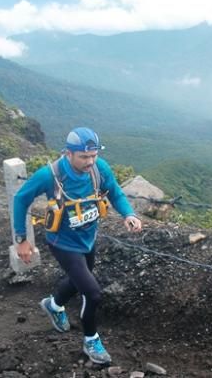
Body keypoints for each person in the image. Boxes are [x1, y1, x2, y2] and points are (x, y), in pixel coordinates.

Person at [12, 127, 143, 364]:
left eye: (93, 156)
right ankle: (91, 340)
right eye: (84, 157)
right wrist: (21, 239)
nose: (90, 162)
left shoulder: (98, 169)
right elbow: (21, 199)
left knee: (78, 280)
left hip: (87, 238)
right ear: (68, 153)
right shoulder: (49, 175)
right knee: (92, 293)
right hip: (63, 243)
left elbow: (115, 193)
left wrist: (128, 214)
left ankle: (53, 305)